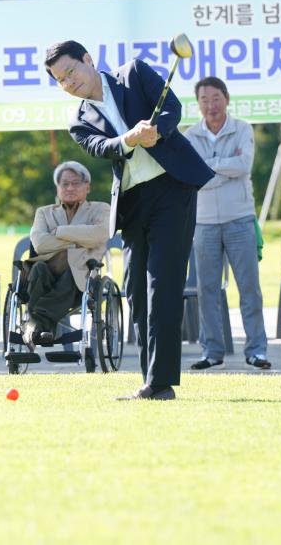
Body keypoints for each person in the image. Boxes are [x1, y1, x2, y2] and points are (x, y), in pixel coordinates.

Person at [44, 41, 214, 400]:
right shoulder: (78, 119)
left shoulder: (133, 73)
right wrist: (128, 138)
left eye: (71, 71)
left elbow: (171, 108)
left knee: (161, 285)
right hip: (133, 202)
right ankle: (151, 377)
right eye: (61, 80)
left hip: (172, 189)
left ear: (88, 60)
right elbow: (100, 147)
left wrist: (158, 131)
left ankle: (160, 383)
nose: (69, 82)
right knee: (136, 290)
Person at [183, 77, 269, 371]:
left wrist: (209, 165)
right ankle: (212, 351)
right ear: (198, 104)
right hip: (203, 222)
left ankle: (256, 350)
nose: (211, 104)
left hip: (240, 219)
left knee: (249, 287)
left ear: (227, 99)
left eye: (216, 98)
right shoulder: (190, 134)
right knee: (207, 289)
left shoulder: (243, 128)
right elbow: (192, 176)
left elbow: (244, 166)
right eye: (204, 99)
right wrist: (223, 165)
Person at [24, 161, 110, 364]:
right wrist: (79, 241)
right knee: (38, 270)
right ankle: (42, 326)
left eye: (76, 183)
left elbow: (100, 234)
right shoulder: (44, 212)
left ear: (87, 187)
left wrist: (61, 232)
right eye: (64, 184)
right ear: (58, 188)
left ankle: (37, 322)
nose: (70, 188)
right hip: (47, 270)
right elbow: (40, 243)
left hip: (82, 276)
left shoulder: (100, 209)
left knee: (73, 268)